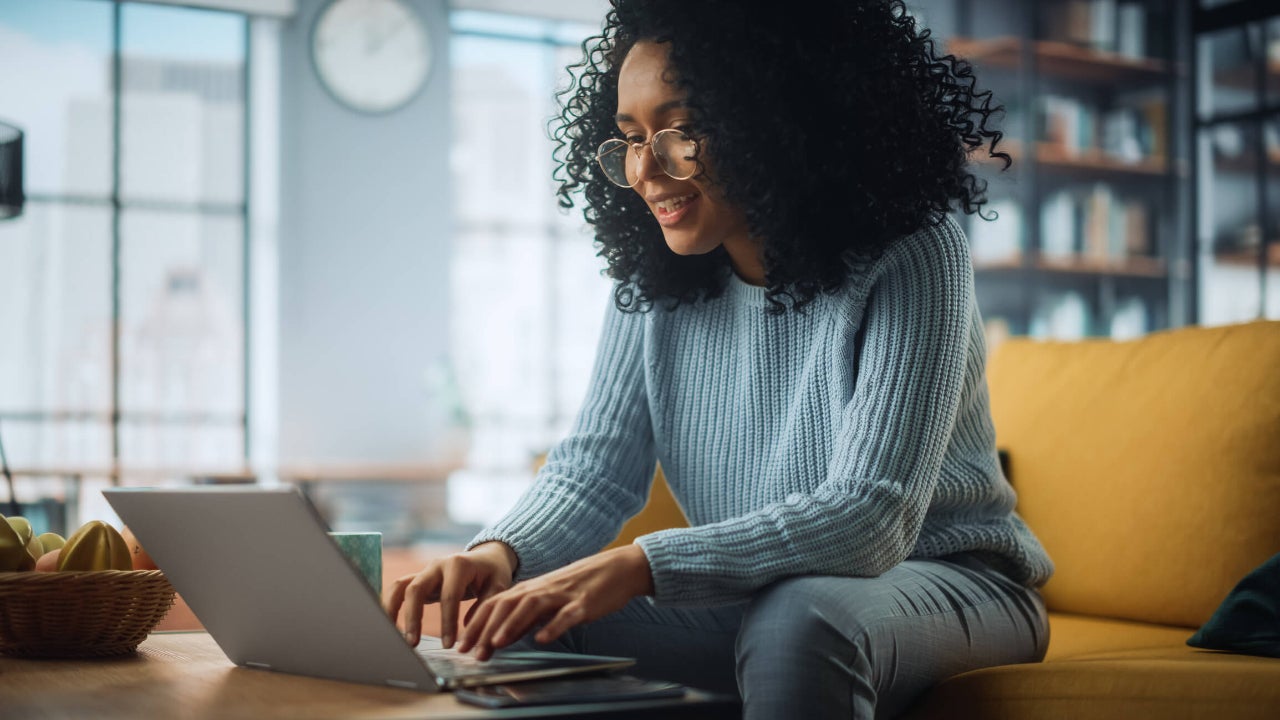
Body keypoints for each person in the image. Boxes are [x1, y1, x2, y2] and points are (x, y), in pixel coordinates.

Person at [386, 1, 1054, 717]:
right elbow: (591, 473)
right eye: (630, 139)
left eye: (681, 131)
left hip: (953, 586)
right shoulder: (652, 281)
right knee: (514, 622)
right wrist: (501, 555)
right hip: (765, 594)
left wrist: (644, 563)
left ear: (774, 118)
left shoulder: (913, 252)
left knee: (802, 619)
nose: (647, 170)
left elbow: (873, 515)